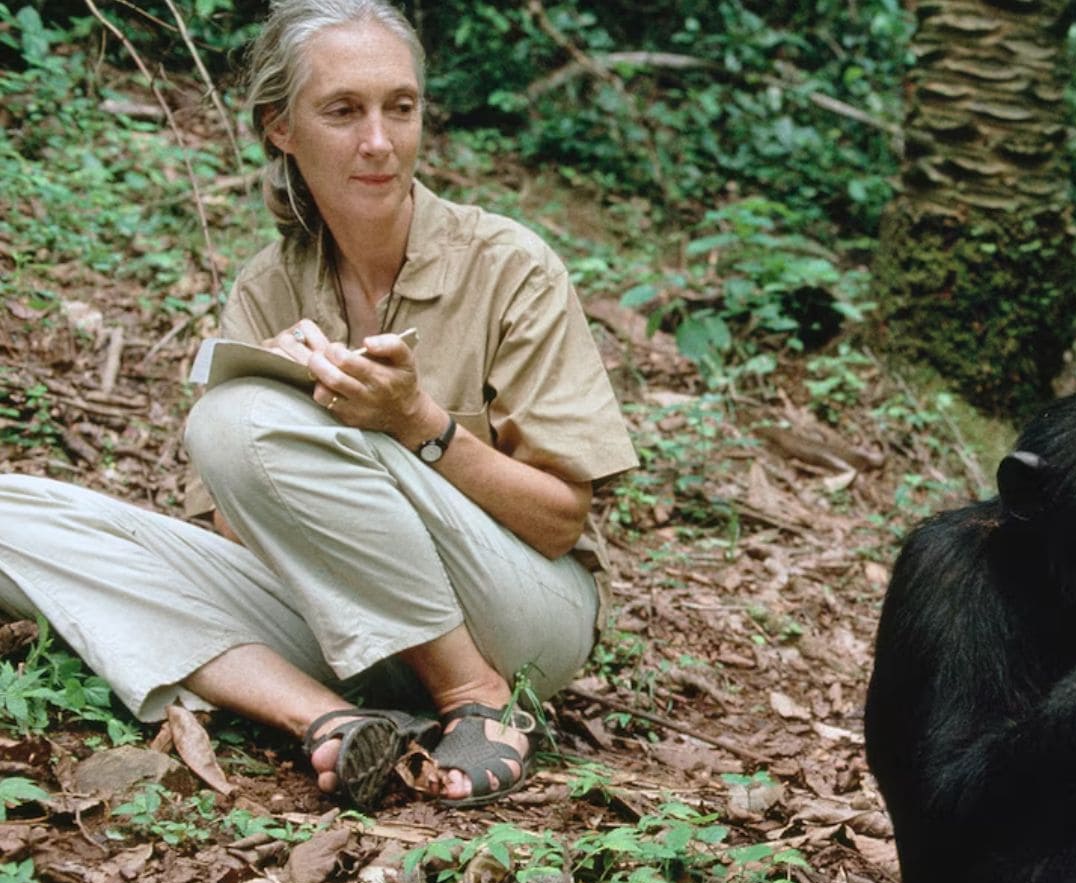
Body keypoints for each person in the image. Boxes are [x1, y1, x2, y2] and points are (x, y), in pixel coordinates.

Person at [0, 0, 637, 808]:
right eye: (343, 111)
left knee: (232, 417)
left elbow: (559, 522)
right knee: (15, 513)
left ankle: (471, 696)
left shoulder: (510, 266)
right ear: (281, 127)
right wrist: (300, 424)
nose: (379, 141)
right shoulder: (267, 285)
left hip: (520, 620)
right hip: (352, 626)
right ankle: (329, 719)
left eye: (399, 108)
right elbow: (235, 535)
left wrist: (417, 424)